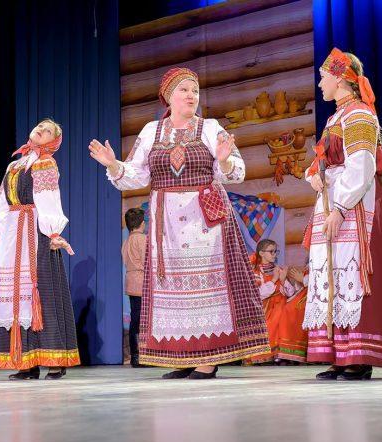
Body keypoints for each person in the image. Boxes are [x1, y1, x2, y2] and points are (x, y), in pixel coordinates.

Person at [88, 68, 270, 379]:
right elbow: (136, 175)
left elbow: (236, 171)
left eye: (195, 91)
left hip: (205, 221)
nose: (191, 96)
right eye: (184, 90)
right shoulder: (152, 131)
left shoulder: (210, 128)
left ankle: (208, 358)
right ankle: (182, 355)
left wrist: (224, 160)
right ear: (168, 96)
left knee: (205, 286)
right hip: (167, 222)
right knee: (172, 286)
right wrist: (113, 165)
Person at [302, 48, 382, 381]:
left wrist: (340, 207)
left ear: (339, 79)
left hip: (356, 202)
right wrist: (314, 174)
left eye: (323, 77)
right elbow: (325, 161)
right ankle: (339, 354)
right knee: (332, 272)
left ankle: (359, 356)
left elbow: (362, 164)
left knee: (353, 270)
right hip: (333, 198)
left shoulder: (360, 115)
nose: (320, 84)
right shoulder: (335, 118)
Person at [0, 119, 79, 380]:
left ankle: (54, 360)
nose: (41, 130)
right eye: (40, 126)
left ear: (53, 141)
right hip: (13, 235)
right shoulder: (15, 165)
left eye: (48, 131)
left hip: (36, 233)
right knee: (16, 296)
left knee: (41, 293)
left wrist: (53, 232)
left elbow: (49, 199)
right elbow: (2, 203)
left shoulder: (45, 162)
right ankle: (26, 362)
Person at [248, 239, 294, 364]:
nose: (274, 254)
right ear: (261, 253)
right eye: (271, 251)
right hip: (264, 307)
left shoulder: (278, 269)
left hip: (281, 303)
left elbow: (290, 293)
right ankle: (270, 354)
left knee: (287, 312)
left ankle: (283, 354)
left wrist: (283, 280)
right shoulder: (255, 271)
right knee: (279, 315)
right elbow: (257, 294)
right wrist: (274, 279)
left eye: (276, 251)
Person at [122, 208, 147, 367]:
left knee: (135, 318)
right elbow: (147, 261)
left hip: (131, 281)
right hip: (142, 282)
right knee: (143, 320)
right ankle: (142, 356)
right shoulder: (142, 239)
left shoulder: (126, 241)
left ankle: (135, 356)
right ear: (142, 223)